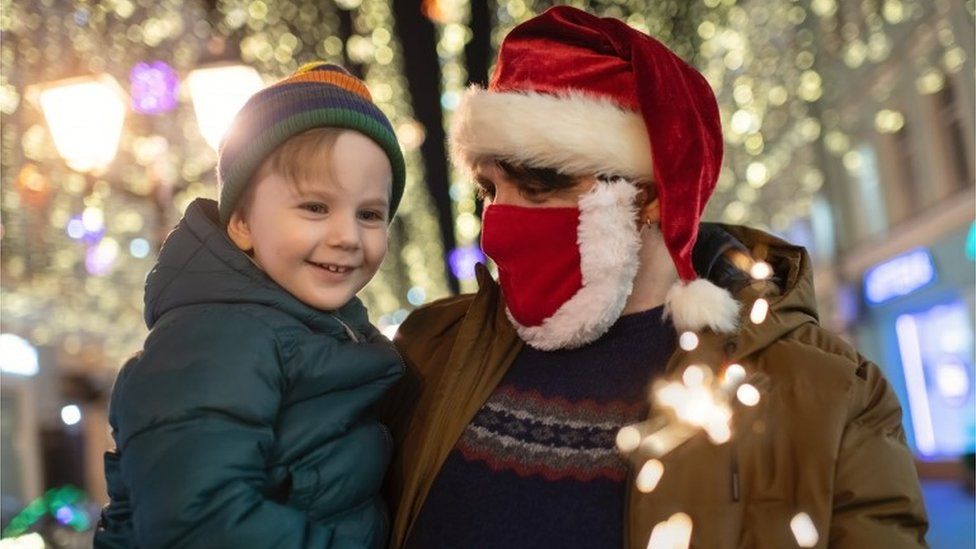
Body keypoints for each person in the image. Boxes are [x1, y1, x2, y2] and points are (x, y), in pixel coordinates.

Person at [384, 7, 928, 549]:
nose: (497, 224)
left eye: (537, 186)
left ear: (648, 196)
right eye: (488, 189)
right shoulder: (430, 351)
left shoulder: (830, 396)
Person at [94, 62, 405, 548]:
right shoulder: (217, 334)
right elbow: (200, 522)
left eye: (369, 214)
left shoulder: (317, 330)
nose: (347, 237)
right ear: (240, 223)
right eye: (315, 207)